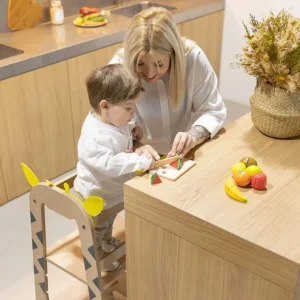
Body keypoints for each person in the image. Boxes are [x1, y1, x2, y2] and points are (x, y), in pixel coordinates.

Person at [109, 7, 226, 159]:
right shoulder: (118, 68)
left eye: (159, 64)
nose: (150, 74)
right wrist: (135, 145)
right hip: (137, 157)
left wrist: (192, 137)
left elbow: (213, 111)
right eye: (140, 64)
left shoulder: (192, 59)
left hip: (187, 153)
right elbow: (108, 125)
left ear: (173, 53)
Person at [74, 64, 156, 269]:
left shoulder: (113, 120)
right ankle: (97, 257)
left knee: (109, 222)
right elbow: (109, 163)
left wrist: (133, 130)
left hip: (110, 193)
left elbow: (122, 132)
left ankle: (105, 241)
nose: (133, 112)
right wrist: (139, 161)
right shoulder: (94, 135)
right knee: (98, 227)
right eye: (129, 108)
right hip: (96, 195)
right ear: (105, 106)